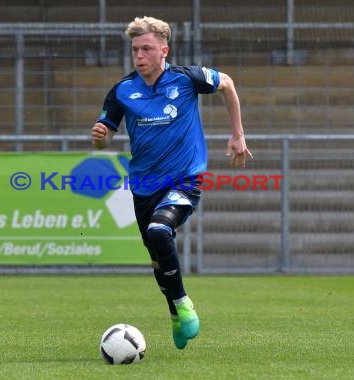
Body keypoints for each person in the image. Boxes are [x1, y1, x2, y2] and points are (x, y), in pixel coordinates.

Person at [91, 16, 252, 350]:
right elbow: (104, 139)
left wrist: (237, 134)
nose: (139, 55)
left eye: (147, 48)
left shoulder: (186, 78)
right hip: (143, 186)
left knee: (159, 231)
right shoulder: (122, 90)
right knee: (156, 259)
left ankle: (183, 305)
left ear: (164, 50)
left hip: (185, 178)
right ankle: (176, 314)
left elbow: (228, 84)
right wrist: (101, 137)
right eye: (135, 49)